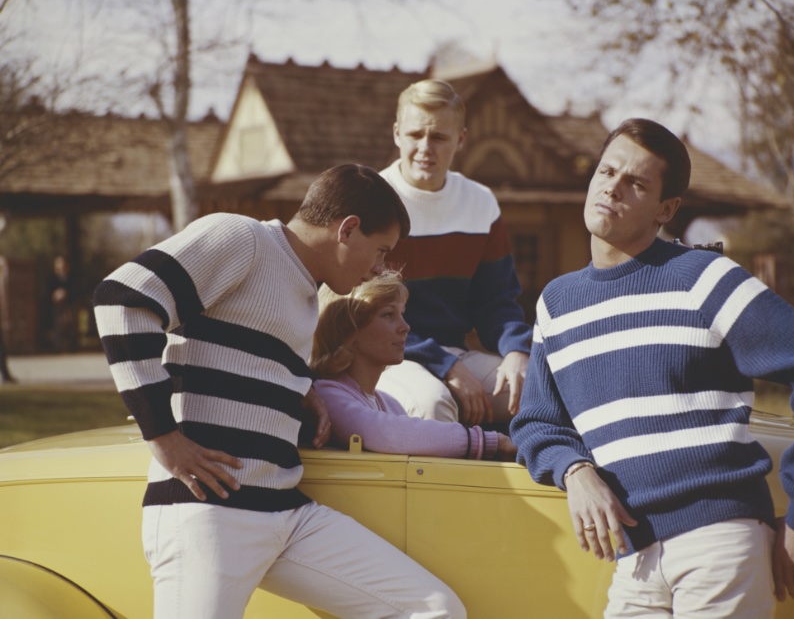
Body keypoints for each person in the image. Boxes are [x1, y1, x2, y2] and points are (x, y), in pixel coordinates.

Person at [93, 164, 466, 619]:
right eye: (381, 250)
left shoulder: (307, 295)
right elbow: (122, 300)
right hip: (208, 514)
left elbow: (247, 350)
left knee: (433, 609)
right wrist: (163, 438)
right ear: (348, 229)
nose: (380, 268)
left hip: (287, 514)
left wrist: (300, 387)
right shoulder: (242, 238)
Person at [510, 118, 794, 617]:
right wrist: (575, 471)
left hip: (720, 542)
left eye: (635, 183)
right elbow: (538, 423)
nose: (612, 188)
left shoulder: (704, 277)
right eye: (607, 172)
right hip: (634, 558)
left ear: (666, 210)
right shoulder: (555, 303)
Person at [377, 78, 532, 427]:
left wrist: (517, 350)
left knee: (536, 391)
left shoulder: (480, 203)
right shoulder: (373, 200)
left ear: (461, 139)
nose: (425, 148)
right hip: (387, 357)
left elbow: (496, 302)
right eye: (416, 135)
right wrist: (447, 368)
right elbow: (368, 314)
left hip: (456, 352)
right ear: (397, 134)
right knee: (433, 406)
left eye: (439, 137)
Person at [311, 270, 517, 461]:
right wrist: (489, 441)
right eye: (388, 315)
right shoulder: (327, 394)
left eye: (402, 314)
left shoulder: (390, 403)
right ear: (348, 329)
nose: (405, 327)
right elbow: (380, 432)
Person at [47, 255, 76, 352]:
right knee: (58, 324)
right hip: (57, 305)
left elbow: (76, 291)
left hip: (70, 303)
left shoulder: (72, 277)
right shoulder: (52, 278)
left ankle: (72, 346)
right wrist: (55, 295)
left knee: (71, 323)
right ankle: (57, 346)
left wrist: (66, 293)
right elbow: (48, 291)